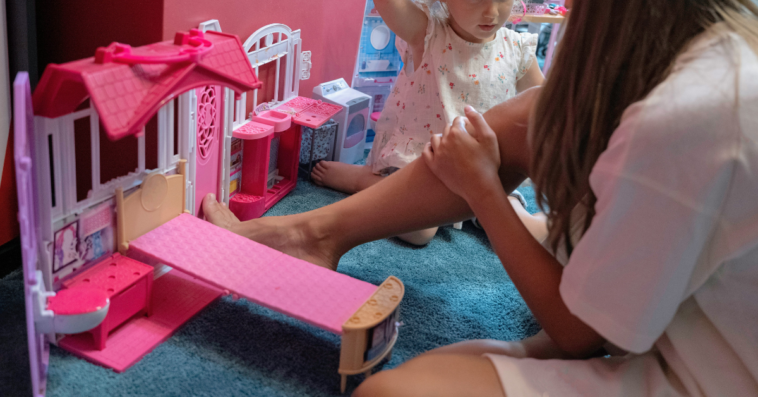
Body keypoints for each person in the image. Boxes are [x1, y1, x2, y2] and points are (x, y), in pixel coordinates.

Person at [203, 0, 758, 395]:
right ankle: (311, 233)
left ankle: (317, 232)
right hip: (427, 152)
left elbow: (580, 333)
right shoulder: (713, 55)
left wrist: (484, 190)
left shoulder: (691, 114)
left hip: (696, 370)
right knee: (531, 118)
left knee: (389, 392)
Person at [313, 0, 547, 245]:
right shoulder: (427, 33)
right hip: (421, 164)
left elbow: (542, 106)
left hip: (482, 172)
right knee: (420, 232)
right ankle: (366, 181)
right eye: (474, 1)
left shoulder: (518, 48)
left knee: (522, 228)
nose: (492, 13)